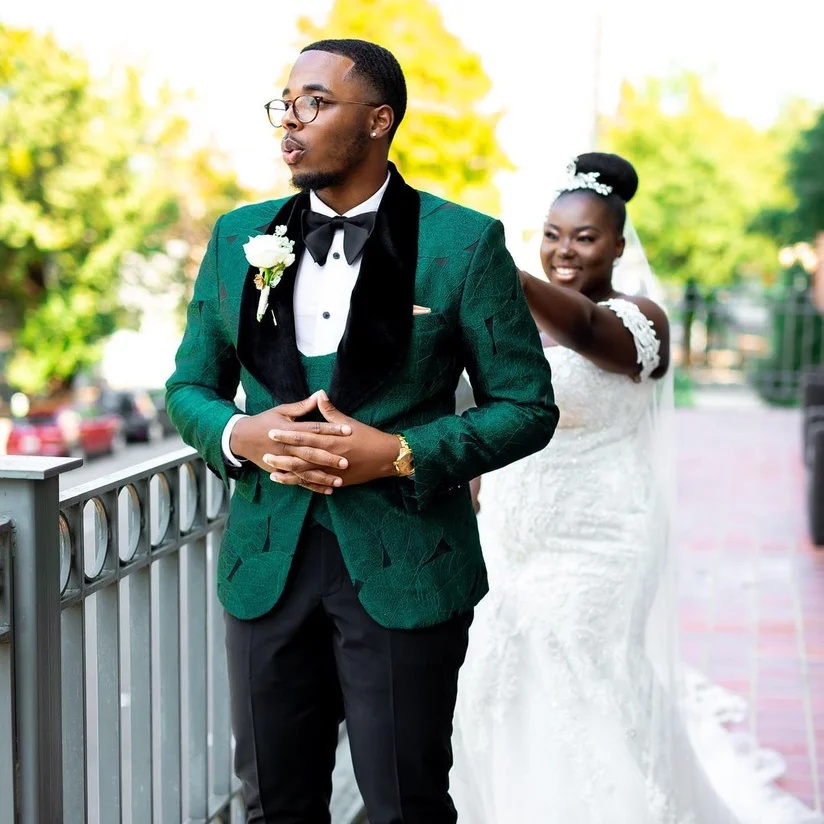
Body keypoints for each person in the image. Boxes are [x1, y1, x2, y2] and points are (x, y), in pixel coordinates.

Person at [165, 39, 558, 824]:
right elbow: (187, 389)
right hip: (265, 562)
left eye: (314, 102)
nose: (290, 122)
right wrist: (241, 434)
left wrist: (404, 452)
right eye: (284, 104)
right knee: (274, 802)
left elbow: (527, 405)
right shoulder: (237, 237)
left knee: (403, 806)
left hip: (407, 563)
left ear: (379, 120)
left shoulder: (463, 242)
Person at [450, 153, 824, 824]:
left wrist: (503, 270)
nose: (564, 251)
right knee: (498, 678)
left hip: (600, 536)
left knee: (584, 677)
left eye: (585, 237)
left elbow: (586, 330)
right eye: (553, 234)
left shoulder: (638, 318)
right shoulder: (509, 321)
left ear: (618, 245)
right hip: (509, 531)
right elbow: (483, 409)